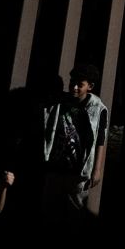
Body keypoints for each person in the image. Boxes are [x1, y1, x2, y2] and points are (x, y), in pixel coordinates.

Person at [37, 64, 108, 226]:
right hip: (56, 166)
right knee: (49, 212)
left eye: (80, 85)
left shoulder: (97, 109)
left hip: (78, 171)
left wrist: (97, 170)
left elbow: (100, 140)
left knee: (75, 214)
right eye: (72, 83)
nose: (74, 88)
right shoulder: (59, 102)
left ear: (90, 86)